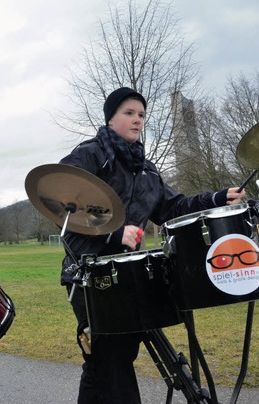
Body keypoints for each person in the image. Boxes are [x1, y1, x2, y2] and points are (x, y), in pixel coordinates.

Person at [59, 87, 246, 403]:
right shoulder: (88, 155)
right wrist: (114, 235)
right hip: (89, 275)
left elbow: (172, 207)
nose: (137, 120)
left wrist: (216, 198)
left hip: (131, 276)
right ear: (111, 119)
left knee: (109, 361)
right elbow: (64, 205)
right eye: (129, 113)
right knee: (111, 360)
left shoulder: (145, 170)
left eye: (141, 115)